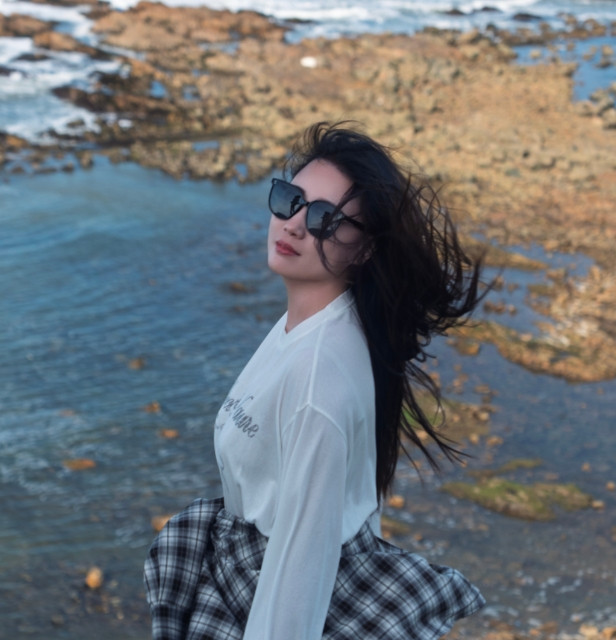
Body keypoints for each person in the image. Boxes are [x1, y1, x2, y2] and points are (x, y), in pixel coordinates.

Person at [144, 122, 486, 639]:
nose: (295, 225)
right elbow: (350, 501)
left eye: (326, 219)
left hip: (270, 590)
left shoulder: (318, 380)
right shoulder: (320, 323)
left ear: (365, 249)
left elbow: (302, 560)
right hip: (248, 569)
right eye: (291, 200)